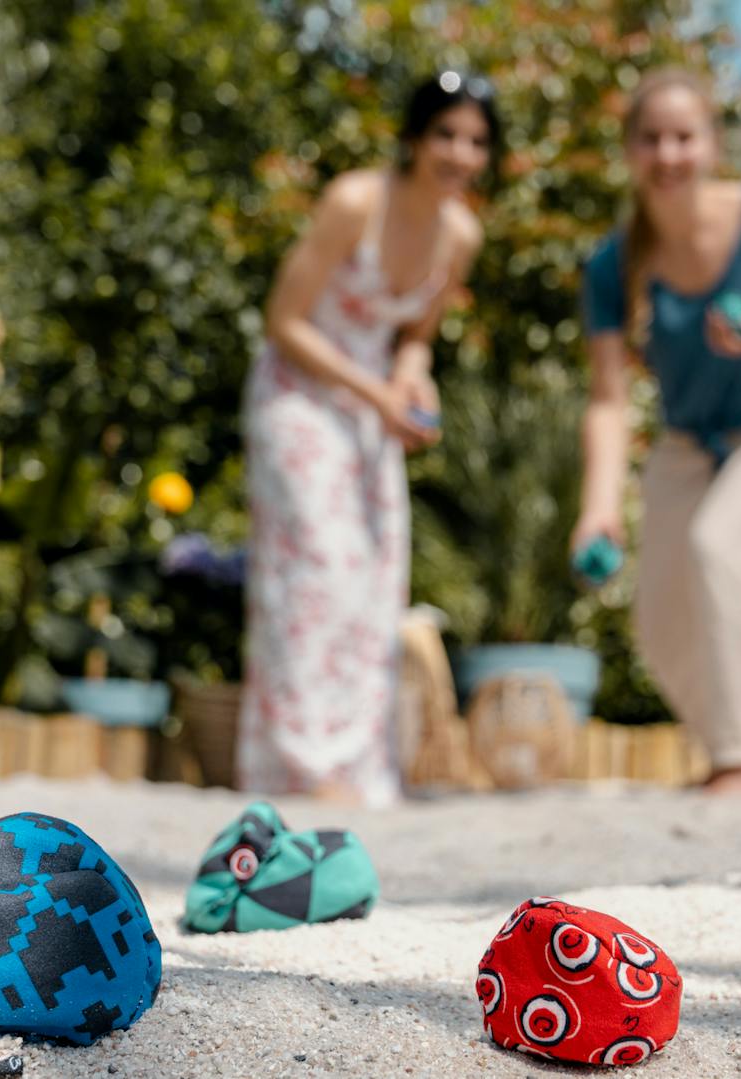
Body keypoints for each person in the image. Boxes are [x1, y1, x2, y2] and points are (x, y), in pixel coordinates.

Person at [572, 69, 741, 795]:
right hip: (688, 444)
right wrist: (599, 508)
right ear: (631, 151)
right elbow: (607, 399)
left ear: (713, 145)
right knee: (659, 626)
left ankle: (740, 759)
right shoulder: (613, 263)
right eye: (651, 139)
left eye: (684, 137)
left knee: (718, 548)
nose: (669, 154)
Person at [240, 72, 496, 806]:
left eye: (476, 140)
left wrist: (414, 381)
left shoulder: (462, 236)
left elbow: (414, 337)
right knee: (316, 570)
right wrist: (378, 391)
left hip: (370, 406)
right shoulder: (356, 202)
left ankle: (352, 765)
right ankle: (304, 765)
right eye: (446, 133)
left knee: (375, 578)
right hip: (298, 392)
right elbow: (283, 323)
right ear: (416, 137)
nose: (459, 151)